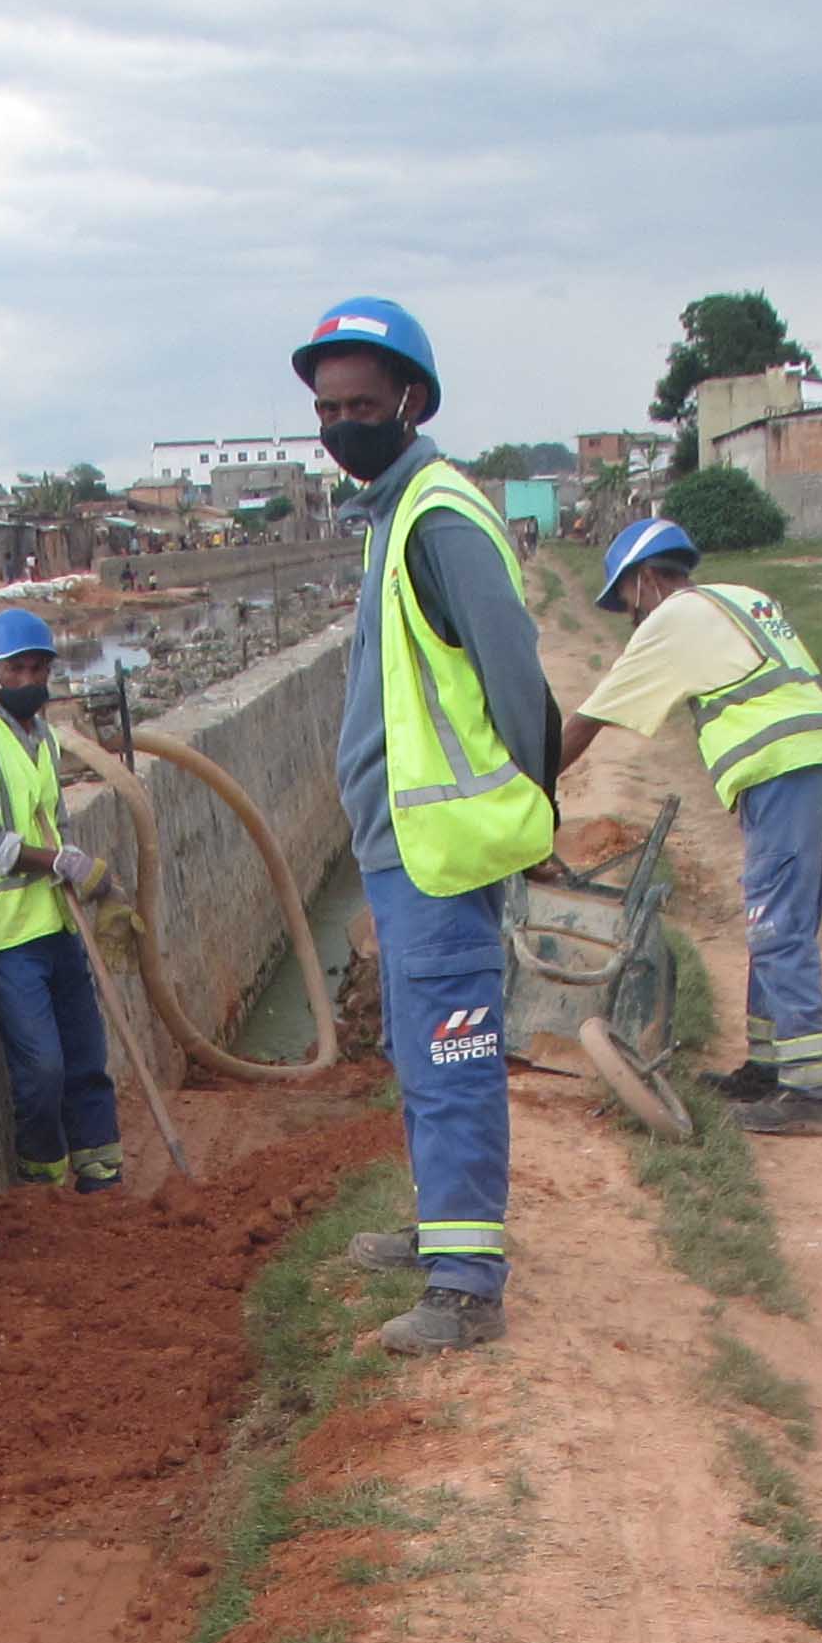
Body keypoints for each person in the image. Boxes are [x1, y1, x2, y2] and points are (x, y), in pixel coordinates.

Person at [293, 294, 557, 1354]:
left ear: (410, 400)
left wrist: (528, 807)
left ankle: (466, 1283)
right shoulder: (393, 517)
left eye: (360, 402)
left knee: (454, 1048)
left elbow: (515, 677)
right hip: (399, 846)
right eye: (326, 408)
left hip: (441, 850)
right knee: (417, 1043)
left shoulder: (439, 520)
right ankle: (438, 1227)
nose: (341, 423)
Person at [556, 514, 822, 1137]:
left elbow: (591, 720)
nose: (632, 619)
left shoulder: (673, 618)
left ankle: (811, 1095)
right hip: (814, 759)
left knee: (777, 923)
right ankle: (768, 1066)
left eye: (626, 604)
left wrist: (531, 789)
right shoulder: (740, 597)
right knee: (774, 915)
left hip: (786, 766)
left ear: (645, 581)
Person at [0, 607, 121, 1194]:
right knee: (41, 1066)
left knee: (87, 1054)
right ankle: (42, 1180)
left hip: (57, 923)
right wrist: (55, 861)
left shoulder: (41, 738)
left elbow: (53, 823)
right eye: (19, 669)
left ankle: (101, 1172)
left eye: (40, 668)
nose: (32, 680)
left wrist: (82, 870)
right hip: (7, 934)